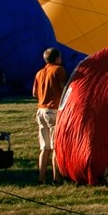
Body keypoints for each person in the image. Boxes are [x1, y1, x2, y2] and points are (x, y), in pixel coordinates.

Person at [32, 47, 69, 184]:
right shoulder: (59, 70)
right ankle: (56, 178)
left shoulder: (39, 73)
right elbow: (64, 89)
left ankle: (41, 178)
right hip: (53, 110)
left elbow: (34, 94)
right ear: (57, 58)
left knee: (44, 147)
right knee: (55, 147)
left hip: (40, 111)